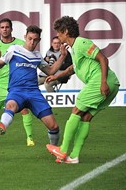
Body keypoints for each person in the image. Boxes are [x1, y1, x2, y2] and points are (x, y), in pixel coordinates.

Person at [46, 16, 120, 164]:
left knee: (76, 111)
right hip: (112, 85)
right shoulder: (74, 48)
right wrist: (56, 77)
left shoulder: (81, 42)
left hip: (101, 82)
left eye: (59, 32)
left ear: (66, 31)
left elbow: (103, 59)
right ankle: (73, 156)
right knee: (86, 117)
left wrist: (103, 82)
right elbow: (72, 69)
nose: (57, 35)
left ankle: (63, 150)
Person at [0, 25, 67, 146]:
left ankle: (55, 149)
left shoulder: (37, 55)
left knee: (54, 126)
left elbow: (50, 71)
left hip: (34, 93)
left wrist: (62, 56)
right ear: (25, 37)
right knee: (10, 105)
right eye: (30, 38)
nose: (32, 42)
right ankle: (2, 125)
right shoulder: (14, 49)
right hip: (17, 91)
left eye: (35, 40)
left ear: (39, 40)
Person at [0, 18, 35, 148]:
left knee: (24, 110)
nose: (5, 29)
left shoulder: (21, 44)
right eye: (2, 27)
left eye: (7, 27)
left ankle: (30, 138)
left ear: (11, 29)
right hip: (2, 85)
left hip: (18, 84)